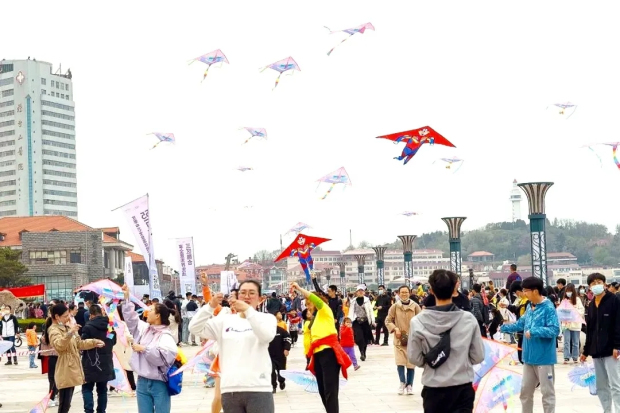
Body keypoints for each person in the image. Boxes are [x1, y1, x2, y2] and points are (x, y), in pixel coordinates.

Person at [189, 280, 277, 413]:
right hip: (230, 389)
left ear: (260, 299)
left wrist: (248, 311)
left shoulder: (267, 318)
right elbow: (194, 328)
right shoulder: (225, 321)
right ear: (237, 297)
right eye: (243, 293)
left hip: (259, 388)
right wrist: (210, 306)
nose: (247, 296)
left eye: (252, 293)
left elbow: (266, 336)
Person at [408, 270, 485, 412]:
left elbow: (414, 358)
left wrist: (431, 361)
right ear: (455, 287)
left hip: (433, 388)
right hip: (462, 387)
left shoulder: (417, 321)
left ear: (430, 290)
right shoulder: (468, 319)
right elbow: (478, 356)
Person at [501, 276, 560, 413]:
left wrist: (534, 331)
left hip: (543, 358)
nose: (524, 293)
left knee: (547, 393)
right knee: (525, 392)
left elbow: (554, 330)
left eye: (526, 290)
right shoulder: (529, 306)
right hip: (528, 357)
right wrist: (505, 327)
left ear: (535, 291)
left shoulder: (548, 308)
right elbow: (521, 323)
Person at [292, 281, 351, 413]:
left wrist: (300, 288)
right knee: (322, 390)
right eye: (306, 304)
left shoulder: (325, 310)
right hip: (318, 354)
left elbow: (315, 298)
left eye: (309, 303)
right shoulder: (314, 319)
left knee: (330, 390)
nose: (308, 306)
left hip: (329, 352)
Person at [121, 285, 178, 413]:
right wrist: (126, 299)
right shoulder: (144, 328)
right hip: (142, 381)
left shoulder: (165, 336)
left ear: (158, 316)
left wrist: (143, 348)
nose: (147, 311)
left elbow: (164, 357)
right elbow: (131, 319)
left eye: (151, 309)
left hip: (159, 383)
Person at [47, 304, 105, 413]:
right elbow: (59, 345)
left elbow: (79, 344)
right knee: (64, 405)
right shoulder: (53, 330)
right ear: (57, 316)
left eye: (68, 315)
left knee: (67, 404)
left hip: (73, 368)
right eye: (65, 316)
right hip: (65, 369)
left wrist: (94, 342)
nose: (68, 318)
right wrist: (70, 333)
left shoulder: (67, 327)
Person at [581, 273, 620, 412]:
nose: (596, 285)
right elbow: (590, 329)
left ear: (604, 284)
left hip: (611, 350)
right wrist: (586, 351)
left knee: (615, 384)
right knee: (601, 385)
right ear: (590, 287)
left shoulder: (614, 300)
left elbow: (618, 324)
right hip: (596, 351)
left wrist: (617, 346)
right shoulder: (591, 305)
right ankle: (607, 410)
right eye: (592, 283)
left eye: (599, 282)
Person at [80, 304, 117, 413]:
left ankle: (89, 410)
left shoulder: (88, 327)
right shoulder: (109, 326)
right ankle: (101, 411)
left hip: (90, 361)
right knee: (102, 390)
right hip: (106, 362)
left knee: (87, 388)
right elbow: (113, 341)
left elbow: (83, 344)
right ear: (101, 313)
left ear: (91, 315)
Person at [386, 285, 421, 395]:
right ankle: (402, 383)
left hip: (412, 339)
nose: (404, 294)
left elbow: (421, 321)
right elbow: (388, 320)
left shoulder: (415, 306)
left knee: (411, 364)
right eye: (402, 292)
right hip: (399, 339)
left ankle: (409, 385)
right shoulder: (395, 307)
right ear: (398, 293)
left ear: (409, 293)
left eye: (406, 292)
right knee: (400, 362)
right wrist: (395, 328)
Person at [111, 304, 136, 394]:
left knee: (116, 367)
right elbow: (127, 336)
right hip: (123, 348)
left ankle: (113, 387)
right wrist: (134, 340)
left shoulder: (111, 323)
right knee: (126, 367)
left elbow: (108, 335)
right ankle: (132, 386)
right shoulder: (122, 324)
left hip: (114, 348)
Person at [347, 285, 375, 361]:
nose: (360, 292)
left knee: (365, 338)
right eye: (359, 291)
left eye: (362, 291)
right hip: (356, 321)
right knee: (359, 337)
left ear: (364, 292)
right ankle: (361, 351)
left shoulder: (367, 300)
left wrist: (372, 320)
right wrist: (349, 320)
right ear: (356, 292)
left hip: (365, 321)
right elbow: (351, 311)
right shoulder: (353, 301)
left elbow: (370, 311)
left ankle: (363, 353)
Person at [560, 283, 584, 364]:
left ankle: (575, 357)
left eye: (570, 291)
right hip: (566, 324)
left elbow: (581, 311)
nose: (568, 293)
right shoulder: (564, 300)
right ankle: (566, 357)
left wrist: (574, 311)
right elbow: (561, 311)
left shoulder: (577, 300)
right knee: (566, 341)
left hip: (576, 324)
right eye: (567, 291)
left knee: (575, 342)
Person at [268, 315, 291, 393]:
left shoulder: (281, 331)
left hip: (280, 355)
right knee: (271, 371)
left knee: (281, 371)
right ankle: (273, 386)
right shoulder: (266, 332)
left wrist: (286, 348)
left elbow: (288, 338)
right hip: (269, 355)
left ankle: (281, 381)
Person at [41, 318, 60, 407]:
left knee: (53, 378)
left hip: (53, 356)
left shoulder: (49, 332)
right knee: (54, 378)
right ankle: (53, 396)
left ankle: (52, 396)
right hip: (54, 356)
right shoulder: (52, 331)